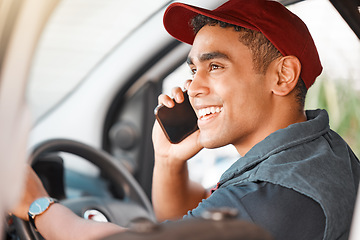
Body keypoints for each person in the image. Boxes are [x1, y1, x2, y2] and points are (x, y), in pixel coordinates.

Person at [11, 0, 360, 240]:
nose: (193, 87)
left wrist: (38, 205)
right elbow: (185, 225)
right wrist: (168, 159)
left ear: (282, 76)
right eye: (193, 69)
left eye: (216, 66)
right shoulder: (319, 152)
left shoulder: (274, 196)